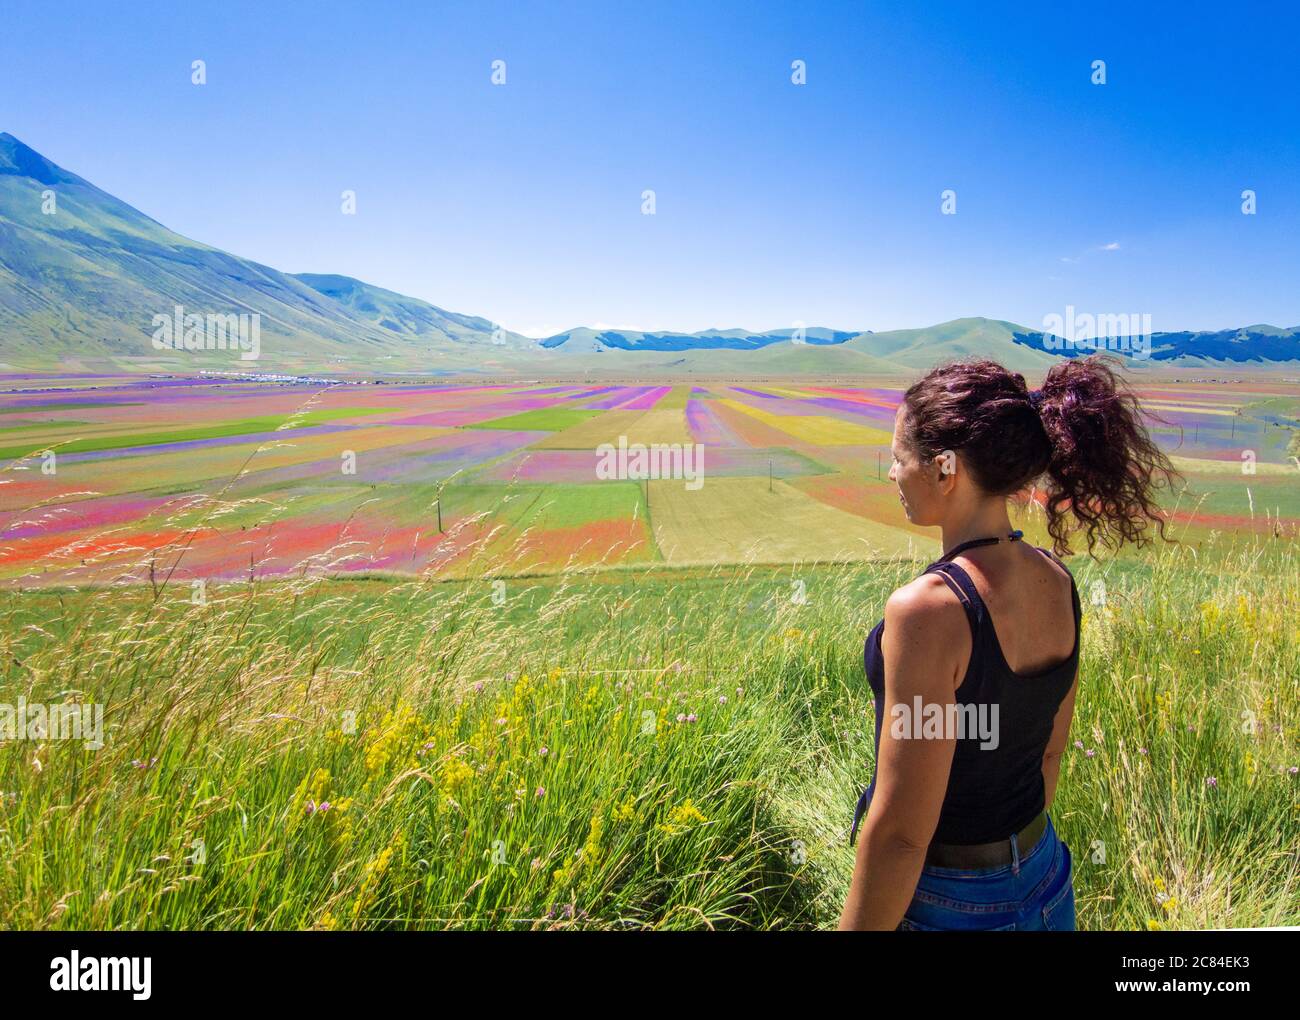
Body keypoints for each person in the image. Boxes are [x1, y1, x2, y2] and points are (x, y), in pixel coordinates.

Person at [837, 353, 1179, 931]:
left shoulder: (927, 611)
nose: (892, 474)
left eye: (899, 459)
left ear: (945, 469)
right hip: (1044, 876)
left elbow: (902, 833)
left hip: (952, 900)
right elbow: (1048, 753)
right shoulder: (1056, 579)